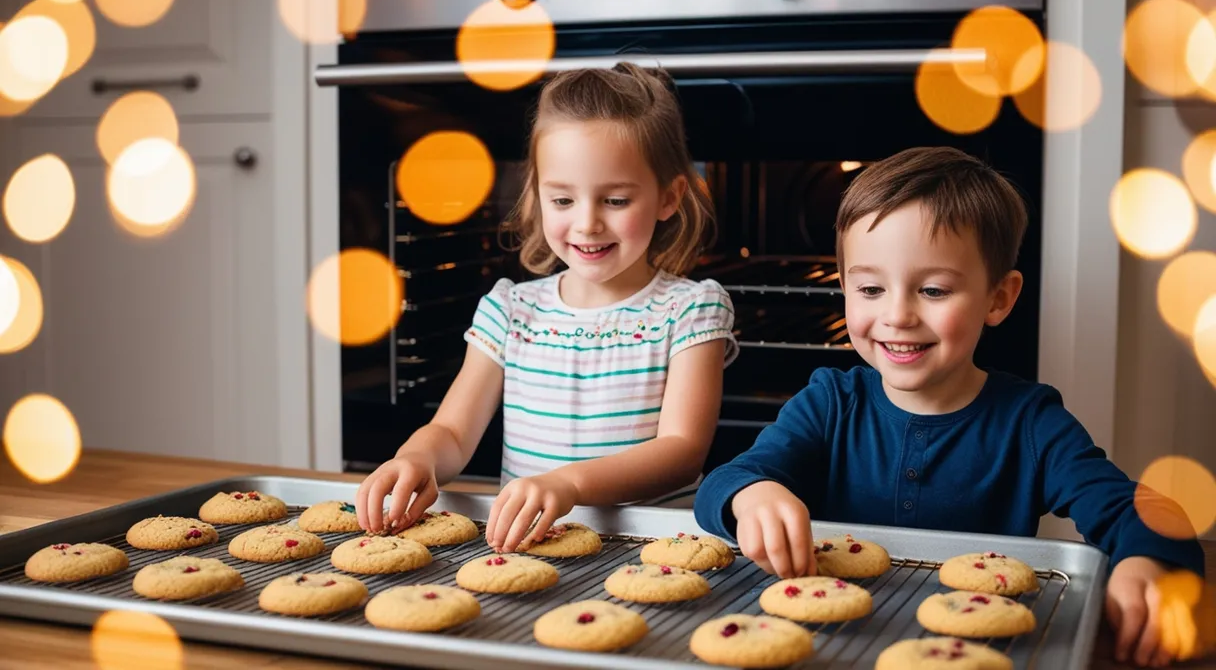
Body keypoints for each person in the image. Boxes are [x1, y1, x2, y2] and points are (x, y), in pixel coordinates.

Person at [692, 146, 1206, 668]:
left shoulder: (1030, 423)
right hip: (830, 645)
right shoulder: (830, 402)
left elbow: (1145, 513)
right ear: (843, 288)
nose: (897, 315)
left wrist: (1148, 560)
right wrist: (752, 494)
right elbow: (725, 480)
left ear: (998, 298)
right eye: (870, 288)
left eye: (934, 290)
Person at [357, 63, 738, 555]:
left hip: (653, 551)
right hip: (532, 548)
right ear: (537, 195)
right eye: (562, 199)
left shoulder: (690, 310)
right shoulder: (511, 311)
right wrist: (417, 459)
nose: (587, 223)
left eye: (616, 199)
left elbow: (681, 452)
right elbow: (452, 430)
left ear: (669, 197)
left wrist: (569, 485)